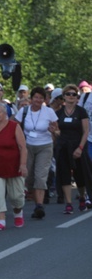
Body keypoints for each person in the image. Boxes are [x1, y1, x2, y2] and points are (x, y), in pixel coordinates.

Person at [14, 87, 58, 218]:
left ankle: (39, 206)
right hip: (27, 146)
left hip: (45, 146)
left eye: (41, 98)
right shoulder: (24, 111)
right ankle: (36, 202)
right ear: (31, 98)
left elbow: (57, 131)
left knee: (41, 175)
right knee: (29, 177)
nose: (38, 100)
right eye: (35, 97)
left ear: (44, 100)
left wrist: (53, 131)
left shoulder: (49, 112)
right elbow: (15, 126)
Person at [0, 102, 28, 230]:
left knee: (16, 196)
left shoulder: (14, 126)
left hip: (14, 167)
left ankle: (18, 212)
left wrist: (23, 165)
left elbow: (23, 147)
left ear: (5, 114)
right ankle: (1, 220)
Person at [53, 84, 92, 213]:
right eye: (68, 94)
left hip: (78, 145)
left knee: (80, 174)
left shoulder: (81, 111)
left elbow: (86, 131)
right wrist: (55, 132)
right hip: (63, 146)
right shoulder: (58, 113)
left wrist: (80, 148)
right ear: (63, 96)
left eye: (74, 94)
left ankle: (81, 196)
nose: (71, 96)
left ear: (77, 97)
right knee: (64, 173)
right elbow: (55, 130)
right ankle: (68, 203)